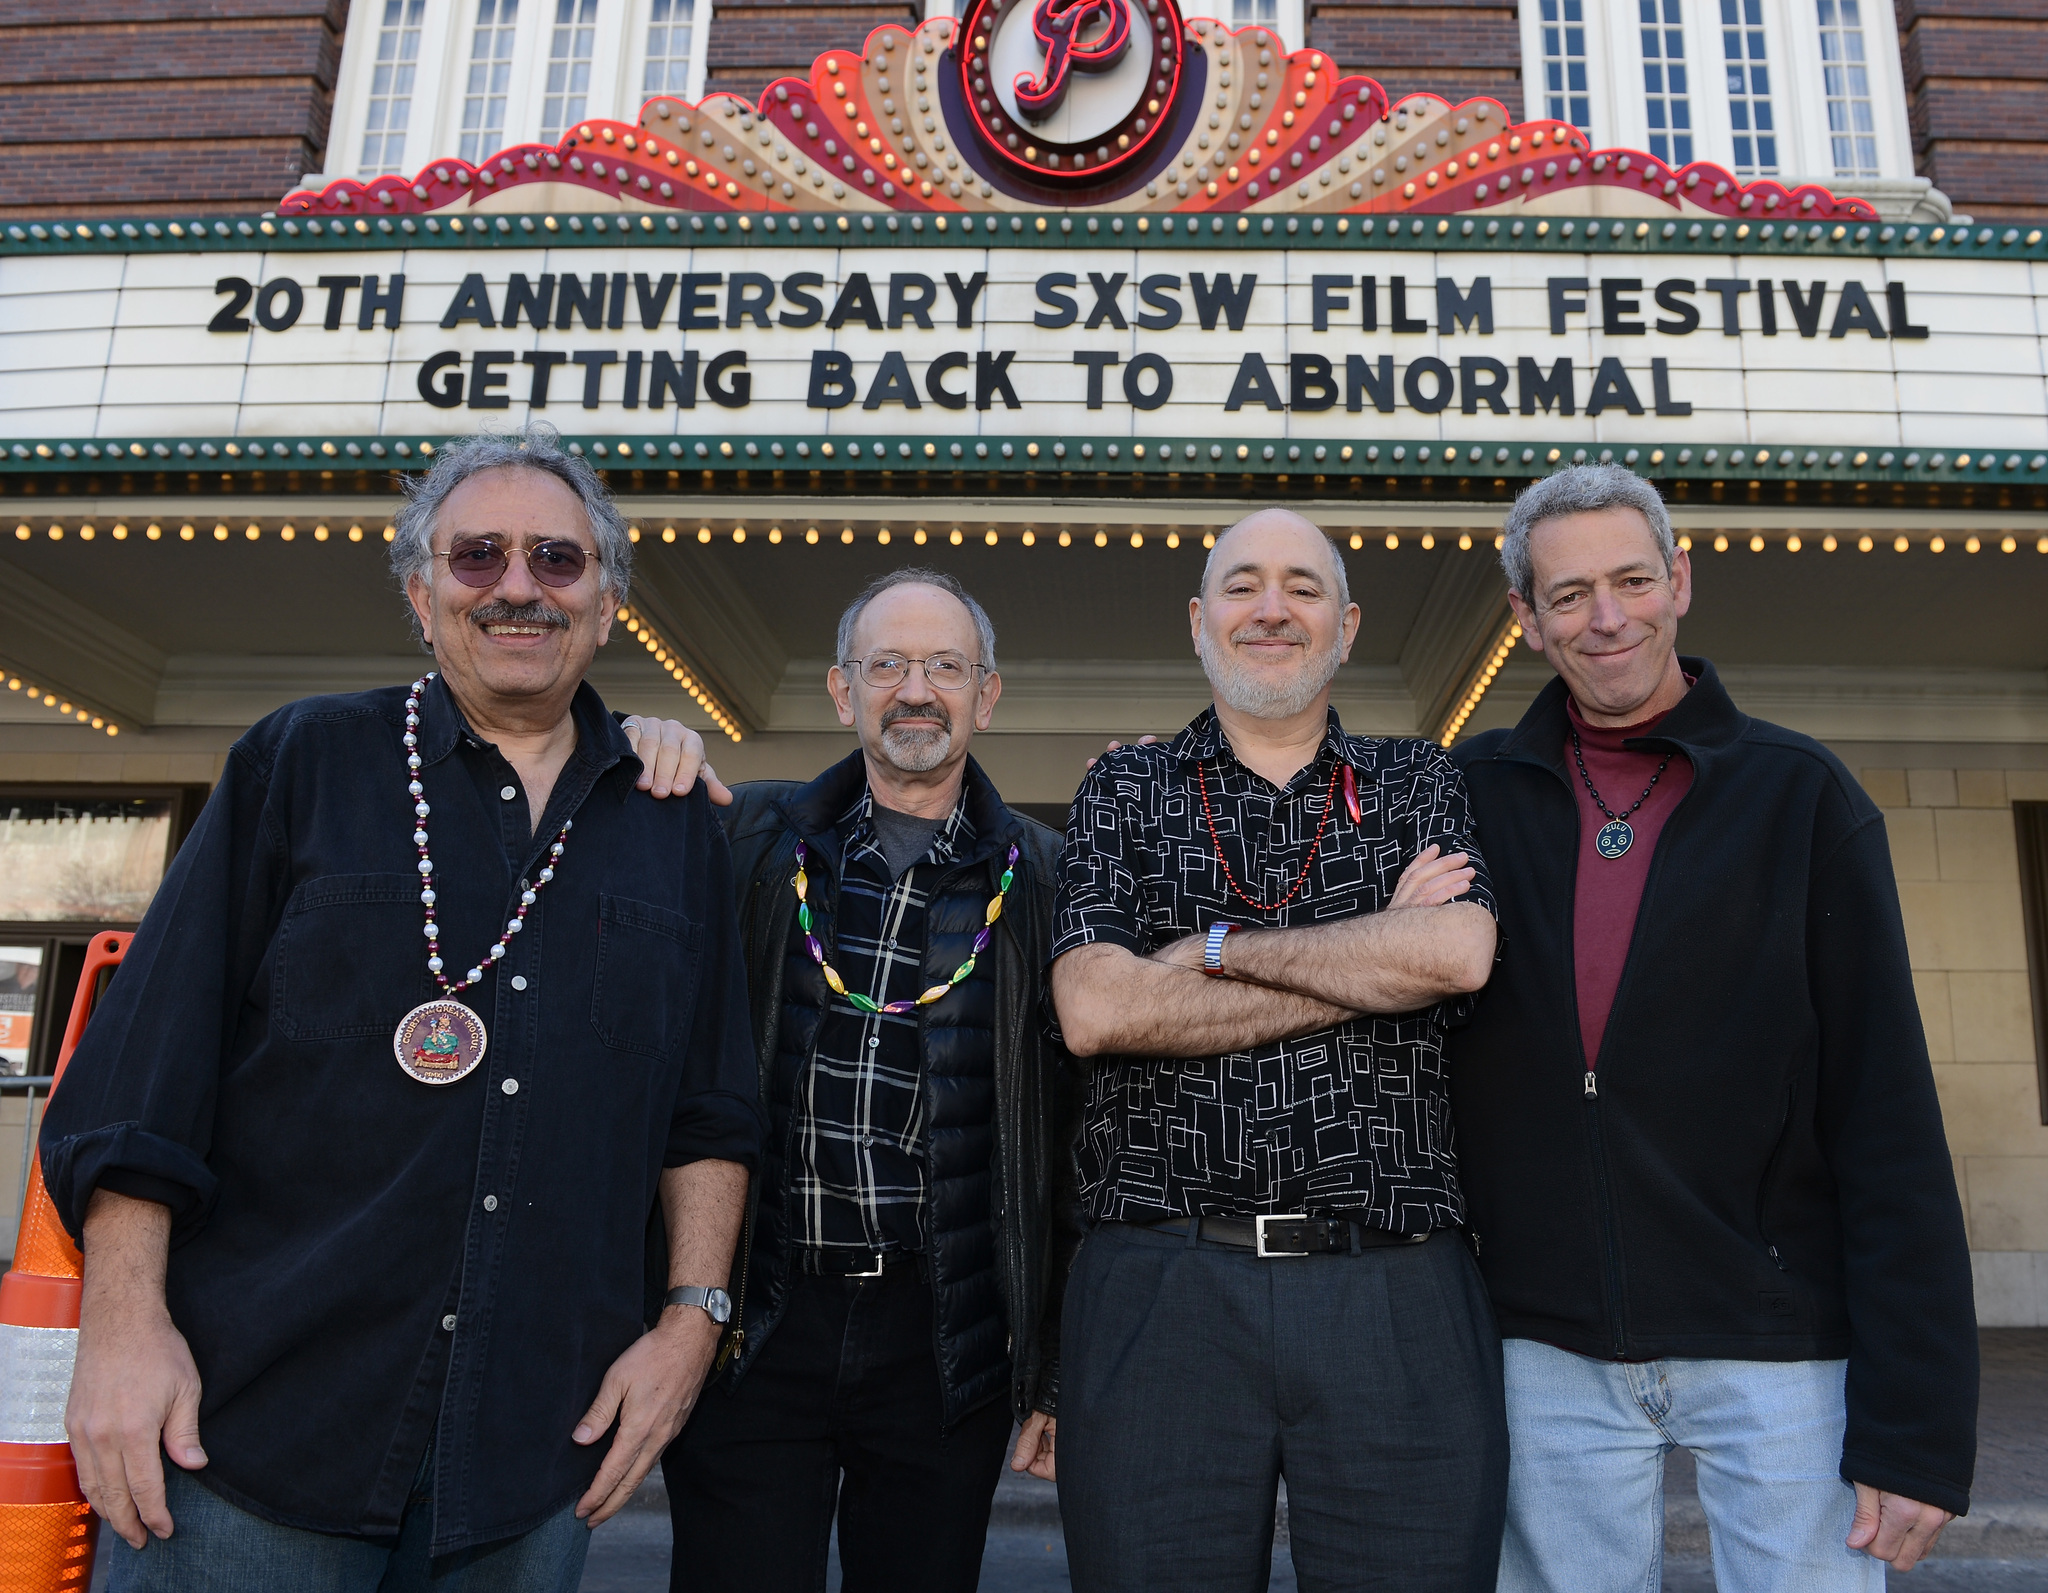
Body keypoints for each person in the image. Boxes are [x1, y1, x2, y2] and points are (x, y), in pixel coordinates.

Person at [41, 424, 762, 1591]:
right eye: (476, 557)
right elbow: (141, 1077)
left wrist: (691, 1320)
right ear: (420, 597)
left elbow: (710, 1115)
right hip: (249, 1433)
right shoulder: (302, 762)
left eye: (557, 560)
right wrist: (123, 1330)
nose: (518, 586)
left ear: (608, 603)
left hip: (534, 1456)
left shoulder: (672, 820)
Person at [1445, 464, 1977, 1592]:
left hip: (1779, 1348)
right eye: (1569, 594)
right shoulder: (1466, 791)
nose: (1605, 617)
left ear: (1678, 581)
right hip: (1541, 1349)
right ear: (1524, 620)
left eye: (1632, 580)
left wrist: (1917, 1424)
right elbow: (1312, 885)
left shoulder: (1802, 796)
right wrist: (1168, 784)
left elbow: (1885, 1117)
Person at [1047, 508, 1507, 1593]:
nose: (1270, 608)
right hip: (1161, 1287)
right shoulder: (1125, 788)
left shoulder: (1416, 778)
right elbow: (1096, 1011)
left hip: (1392, 1288)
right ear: (1197, 621)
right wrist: (1364, 961)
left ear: (1344, 627)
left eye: (1301, 587)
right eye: (1241, 584)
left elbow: (1454, 954)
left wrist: (1206, 951)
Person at [658, 568, 1080, 1593]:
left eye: (945, 665)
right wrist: (628, 740)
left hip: (945, 1341)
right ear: (843, 693)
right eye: (885, 664)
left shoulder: (1051, 877)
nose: (915, 689)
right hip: (755, 1323)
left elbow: (1083, 1135)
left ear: (986, 695)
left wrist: (1056, 1365)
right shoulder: (740, 838)